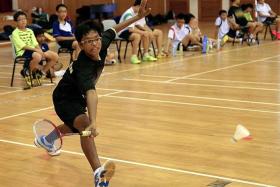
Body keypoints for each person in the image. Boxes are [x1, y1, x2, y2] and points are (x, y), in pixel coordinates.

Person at [34, 0, 152, 186]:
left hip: (75, 96)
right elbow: (91, 93)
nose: (94, 44)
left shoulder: (101, 43)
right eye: (88, 42)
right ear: (80, 44)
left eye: (96, 39)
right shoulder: (83, 67)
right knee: (86, 126)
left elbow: (114, 29)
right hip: (64, 98)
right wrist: (94, 122)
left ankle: (46, 140)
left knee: (75, 126)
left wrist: (137, 18)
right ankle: (98, 174)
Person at [12, 11, 56, 81]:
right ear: (16, 22)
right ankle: (28, 72)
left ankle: (42, 72)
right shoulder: (15, 33)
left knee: (54, 56)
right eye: (20, 19)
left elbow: (35, 43)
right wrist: (37, 50)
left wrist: (40, 50)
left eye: (24, 19)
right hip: (23, 52)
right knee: (37, 56)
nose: (23, 21)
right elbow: (23, 46)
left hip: (34, 51)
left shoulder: (30, 31)